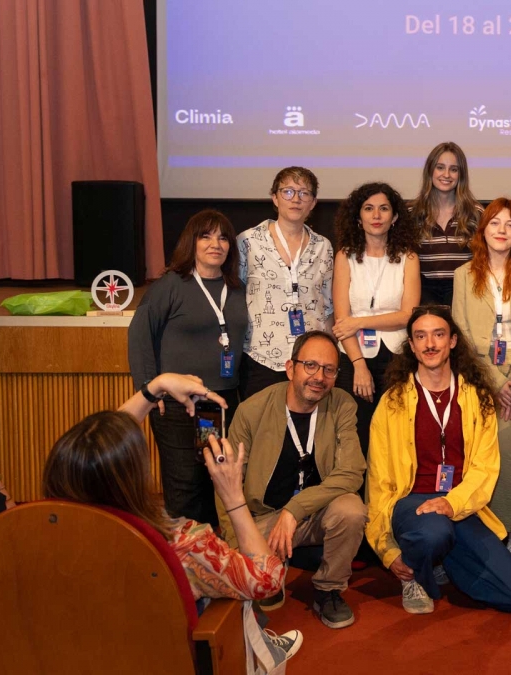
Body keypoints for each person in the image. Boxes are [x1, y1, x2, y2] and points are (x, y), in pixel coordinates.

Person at [42, 373, 302, 670]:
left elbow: (97, 451)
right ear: (135, 476)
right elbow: (267, 580)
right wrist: (233, 497)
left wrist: (156, 387)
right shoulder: (183, 544)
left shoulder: (44, 528)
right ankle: (264, 650)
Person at [365, 306, 511, 615]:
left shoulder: (477, 397)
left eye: (438, 335)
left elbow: (485, 469)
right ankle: (414, 575)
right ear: (412, 345)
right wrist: (386, 549)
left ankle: (441, 560)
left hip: (459, 504)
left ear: (452, 341)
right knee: (434, 532)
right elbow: (378, 482)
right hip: (411, 503)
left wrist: (451, 503)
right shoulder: (392, 402)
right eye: (421, 336)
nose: (430, 344)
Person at [217, 331, 368, 629]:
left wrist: (294, 510)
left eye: (328, 369)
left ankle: (329, 589)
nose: (319, 377)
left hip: (315, 513)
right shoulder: (251, 411)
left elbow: (352, 471)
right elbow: (227, 483)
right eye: (310, 365)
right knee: (260, 595)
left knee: (351, 510)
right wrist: (236, 544)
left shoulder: (342, 404)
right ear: (290, 368)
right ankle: (271, 563)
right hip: (265, 519)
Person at [128, 209, 249, 527]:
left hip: (222, 403)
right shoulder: (170, 285)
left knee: (217, 482)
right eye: (205, 236)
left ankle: (212, 552)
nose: (215, 244)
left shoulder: (237, 288)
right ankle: (185, 554)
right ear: (190, 242)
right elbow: (139, 336)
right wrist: (148, 390)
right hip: (177, 405)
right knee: (184, 489)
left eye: (223, 238)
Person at [452, 198, 511, 567]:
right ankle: (479, 534)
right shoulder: (463, 275)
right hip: (478, 379)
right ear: (483, 230)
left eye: (509, 224)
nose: (502, 230)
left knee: (504, 447)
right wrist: (494, 382)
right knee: (473, 450)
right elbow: (462, 336)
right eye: (494, 223)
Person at [330, 182, 422, 458]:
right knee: (356, 438)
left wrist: (360, 322)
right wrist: (359, 365)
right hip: (353, 357)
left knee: (394, 439)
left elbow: (407, 316)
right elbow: (341, 320)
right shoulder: (345, 256)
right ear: (358, 217)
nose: (376, 215)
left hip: (397, 357)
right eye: (368, 209)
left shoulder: (408, 257)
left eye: (384, 208)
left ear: (395, 217)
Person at [238, 166, 334, 399]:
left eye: (304, 193)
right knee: (261, 421)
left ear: (313, 203)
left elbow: (328, 306)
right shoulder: (248, 242)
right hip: (261, 357)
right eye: (288, 191)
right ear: (275, 197)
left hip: (312, 362)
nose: (296, 199)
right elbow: (232, 296)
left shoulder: (323, 247)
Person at [409, 142, 482, 305]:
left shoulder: (476, 213)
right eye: (440, 167)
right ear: (430, 170)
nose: (446, 175)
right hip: (423, 294)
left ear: (461, 175)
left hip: (465, 293)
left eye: (454, 169)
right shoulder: (412, 214)